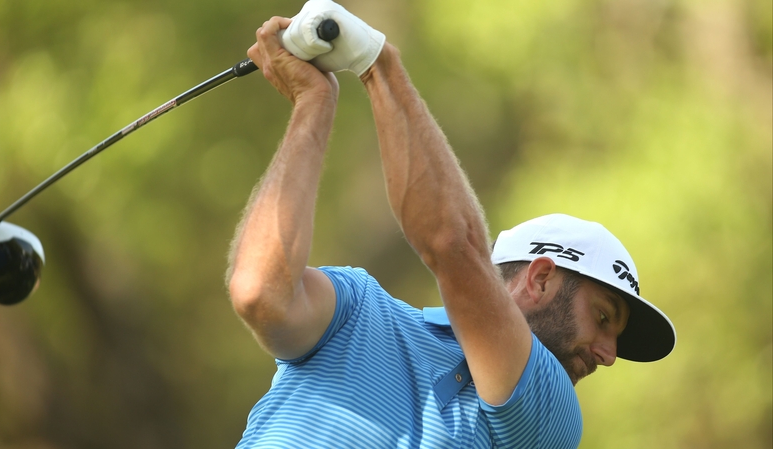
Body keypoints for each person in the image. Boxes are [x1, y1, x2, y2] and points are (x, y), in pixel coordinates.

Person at [226, 1, 676, 447]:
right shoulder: (358, 306)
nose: (609, 356)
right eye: (602, 318)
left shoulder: (552, 417)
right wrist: (313, 102)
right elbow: (260, 293)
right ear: (540, 279)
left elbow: (451, 244)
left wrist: (378, 63)